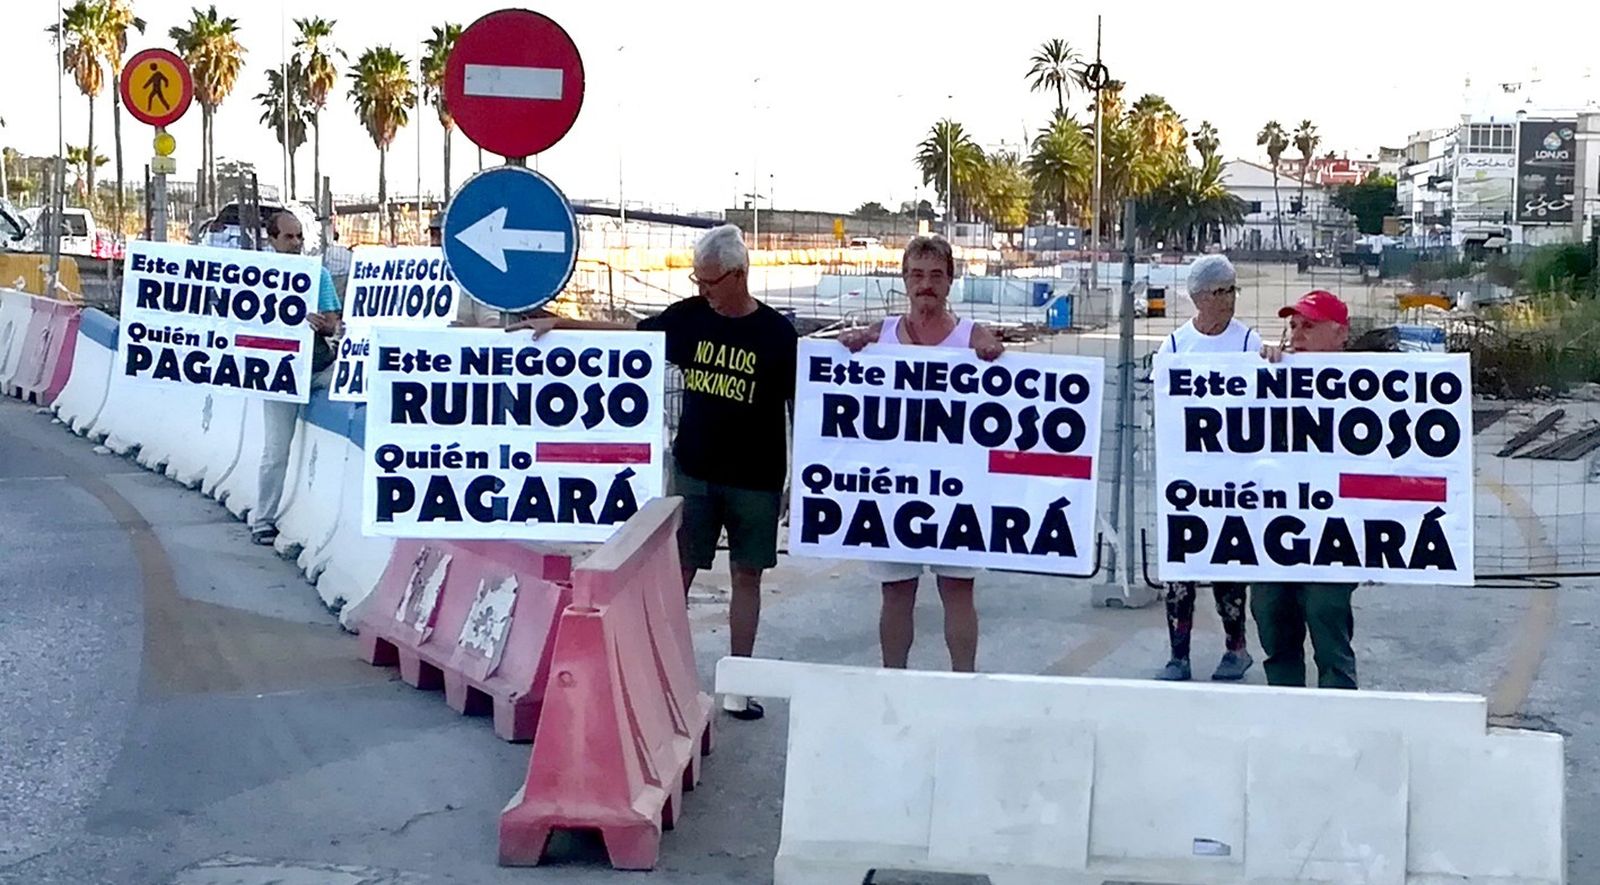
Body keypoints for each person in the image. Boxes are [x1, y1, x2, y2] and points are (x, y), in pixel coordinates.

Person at [511, 224, 797, 720]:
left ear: (738, 274)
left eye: (709, 281)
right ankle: (666, 677)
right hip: (694, 471)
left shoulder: (776, 334)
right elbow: (629, 336)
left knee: (746, 576)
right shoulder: (688, 317)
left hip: (756, 477)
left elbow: (807, 406)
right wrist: (564, 324)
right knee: (677, 574)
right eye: (698, 280)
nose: (702, 290)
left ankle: (738, 681)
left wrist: (801, 483)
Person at [837, 235, 1004, 672]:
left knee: (957, 589)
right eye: (916, 275)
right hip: (894, 490)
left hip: (957, 490)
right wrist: (850, 346)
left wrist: (993, 355)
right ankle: (894, 682)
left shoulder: (973, 339)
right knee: (895, 591)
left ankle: (962, 684)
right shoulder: (881, 335)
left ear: (950, 280)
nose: (925, 284)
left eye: (935, 275)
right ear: (904, 280)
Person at [1154, 254, 1259, 682]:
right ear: (1199, 298)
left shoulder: (1248, 342)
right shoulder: (1176, 347)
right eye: (1220, 292)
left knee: (1227, 567)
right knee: (1180, 568)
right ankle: (1179, 655)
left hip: (1232, 474)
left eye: (1232, 289)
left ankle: (1236, 647)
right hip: (1188, 475)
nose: (1228, 299)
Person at [1254, 289, 1359, 690]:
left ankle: (1338, 720)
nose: (1297, 334)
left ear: (1339, 334)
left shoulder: (1367, 385)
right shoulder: (1273, 374)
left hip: (1332, 535)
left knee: (1327, 625)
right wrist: (1258, 371)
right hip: (1273, 530)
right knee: (1271, 621)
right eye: (1293, 325)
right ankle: (1286, 719)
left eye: (1309, 326)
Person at [251, 211, 342, 545]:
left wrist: (322, 324)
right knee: (275, 452)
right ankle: (263, 520)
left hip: (319, 368)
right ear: (272, 240)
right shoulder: (258, 277)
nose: (296, 243)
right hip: (281, 374)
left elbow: (333, 323)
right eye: (289, 237)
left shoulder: (317, 275)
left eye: (300, 236)